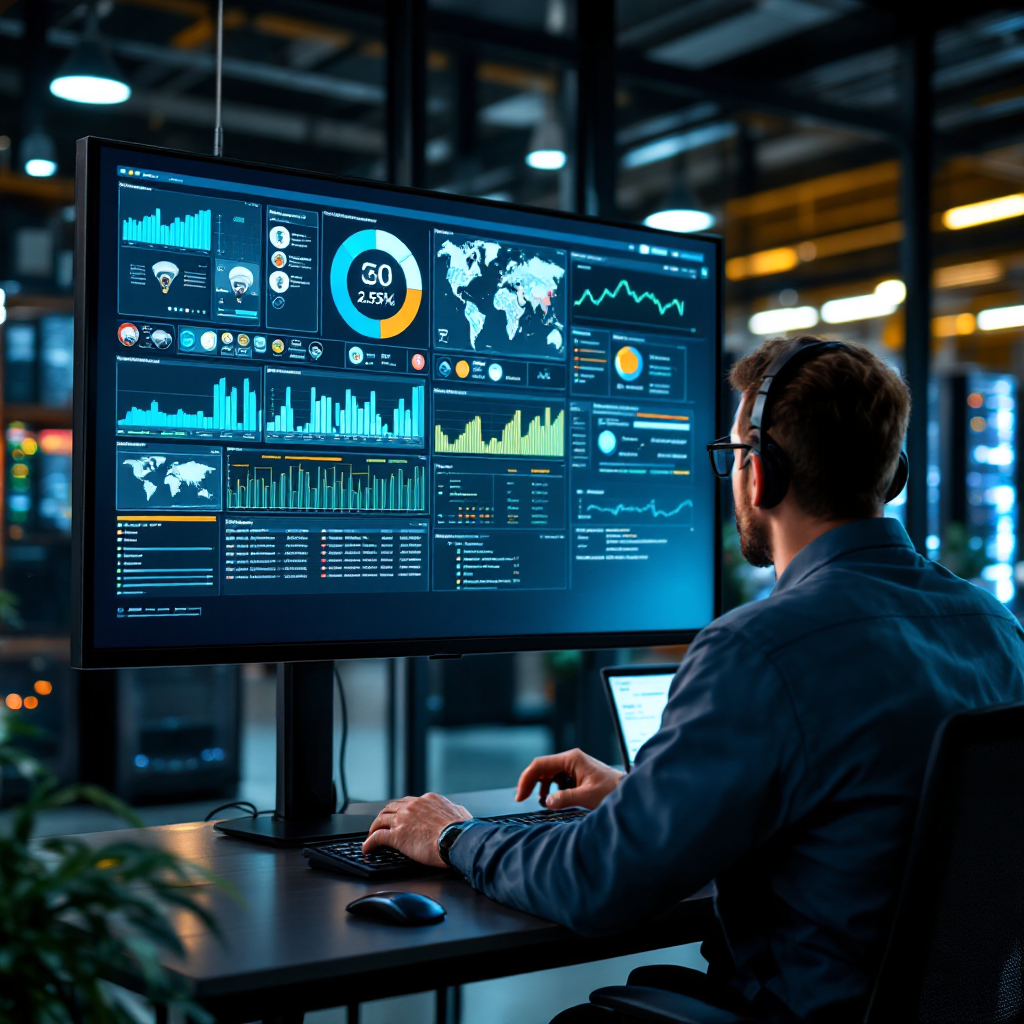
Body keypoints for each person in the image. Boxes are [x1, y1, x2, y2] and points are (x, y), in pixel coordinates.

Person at [363, 337, 1024, 1024]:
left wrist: (452, 836)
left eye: (734, 455)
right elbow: (873, 819)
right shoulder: (995, 628)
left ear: (761, 473)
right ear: (892, 477)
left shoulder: (759, 648)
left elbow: (599, 883)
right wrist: (647, 799)